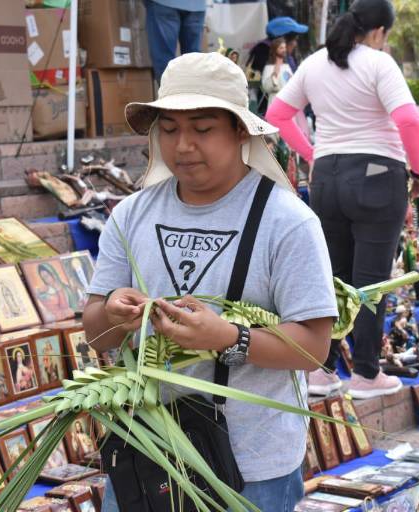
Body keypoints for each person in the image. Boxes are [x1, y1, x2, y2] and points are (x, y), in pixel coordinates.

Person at [83, 51, 336, 511]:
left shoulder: (287, 222)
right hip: (144, 454)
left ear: (241, 130)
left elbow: (314, 347)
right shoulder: (131, 215)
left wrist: (229, 338)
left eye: (202, 129)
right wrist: (116, 314)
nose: (182, 146)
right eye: (170, 129)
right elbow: (94, 328)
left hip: (249, 467)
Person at [266, 0, 419, 399]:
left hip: (328, 177)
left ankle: (322, 370)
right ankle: (367, 374)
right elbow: (408, 120)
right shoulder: (378, 63)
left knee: (332, 276)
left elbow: (277, 114)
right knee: (370, 281)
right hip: (377, 174)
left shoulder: (314, 63)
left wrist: (311, 154)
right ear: (379, 32)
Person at [144, 0, 206, 82]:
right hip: (197, 5)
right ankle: (194, 92)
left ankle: (170, 93)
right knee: (193, 59)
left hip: (164, 4)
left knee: (164, 57)